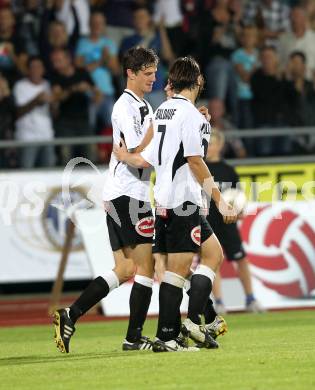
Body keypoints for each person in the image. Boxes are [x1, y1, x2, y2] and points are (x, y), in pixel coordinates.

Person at [114, 56, 237, 352]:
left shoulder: (163, 110)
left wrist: (124, 156)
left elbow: (148, 156)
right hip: (185, 201)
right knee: (177, 271)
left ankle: (194, 320)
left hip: (165, 198)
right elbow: (195, 160)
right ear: (198, 81)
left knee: (213, 254)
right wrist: (220, 200)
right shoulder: (191, 115)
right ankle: (170, 335)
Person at [53, 47, 158, 354]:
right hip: (129, 195)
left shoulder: (144, 106)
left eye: (154, 72)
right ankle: (134, 338)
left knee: (125, 268)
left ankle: (69, 315)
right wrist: (159, 129)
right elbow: (138, 153)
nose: (153, 78)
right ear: (131, 73)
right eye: (147, 73)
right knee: (146, 268)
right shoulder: (125, 107)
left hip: (121, 194)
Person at [205, 129, 264, 314]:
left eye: (212, 143)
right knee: (212, 262)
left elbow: (239, 197)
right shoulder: (199, 168)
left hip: (228, 224)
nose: (209, 147)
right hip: (207, 223)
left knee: (241, 260)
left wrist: (240, 210)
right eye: (206, 143)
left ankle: (251, 299)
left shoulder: (228, 170)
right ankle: (220, 303)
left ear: (220, 146)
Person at [13, 56, 56, 169]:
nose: (36, 69)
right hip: (27, 138)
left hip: (47, 136)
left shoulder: (47, 84)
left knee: (49, 175)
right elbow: (18, 112)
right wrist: (36, 100)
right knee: (26, 173)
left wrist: (53, 103)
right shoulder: (20, 86)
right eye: (33, 67)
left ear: (43, 69)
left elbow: (54, 113)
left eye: (39, 66)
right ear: (27, 69)